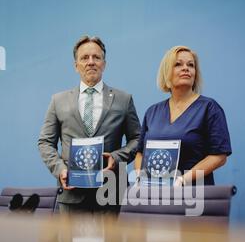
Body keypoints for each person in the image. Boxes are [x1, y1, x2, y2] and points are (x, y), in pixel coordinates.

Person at [38, 35, 141, 213]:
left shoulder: (124, 99)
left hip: (112, 192)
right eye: (84, 58)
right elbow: (45, 142)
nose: (91, 62)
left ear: (104, 63)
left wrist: (117, 158)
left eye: (96, 57)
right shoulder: (58, 100)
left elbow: (138, 138)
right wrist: (60, 169)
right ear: (76, 65)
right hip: (71, 194)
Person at [134, 46, 231, 186]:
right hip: (155, 195)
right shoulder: (152, 112)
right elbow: (140, 153)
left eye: (191, 65)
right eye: (178, 64)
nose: (186, 68)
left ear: (195, 73)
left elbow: (219, 156)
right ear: (167, 72)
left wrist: (183, 179)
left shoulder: (209, 108)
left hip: (194, 196)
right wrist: (140, 176)